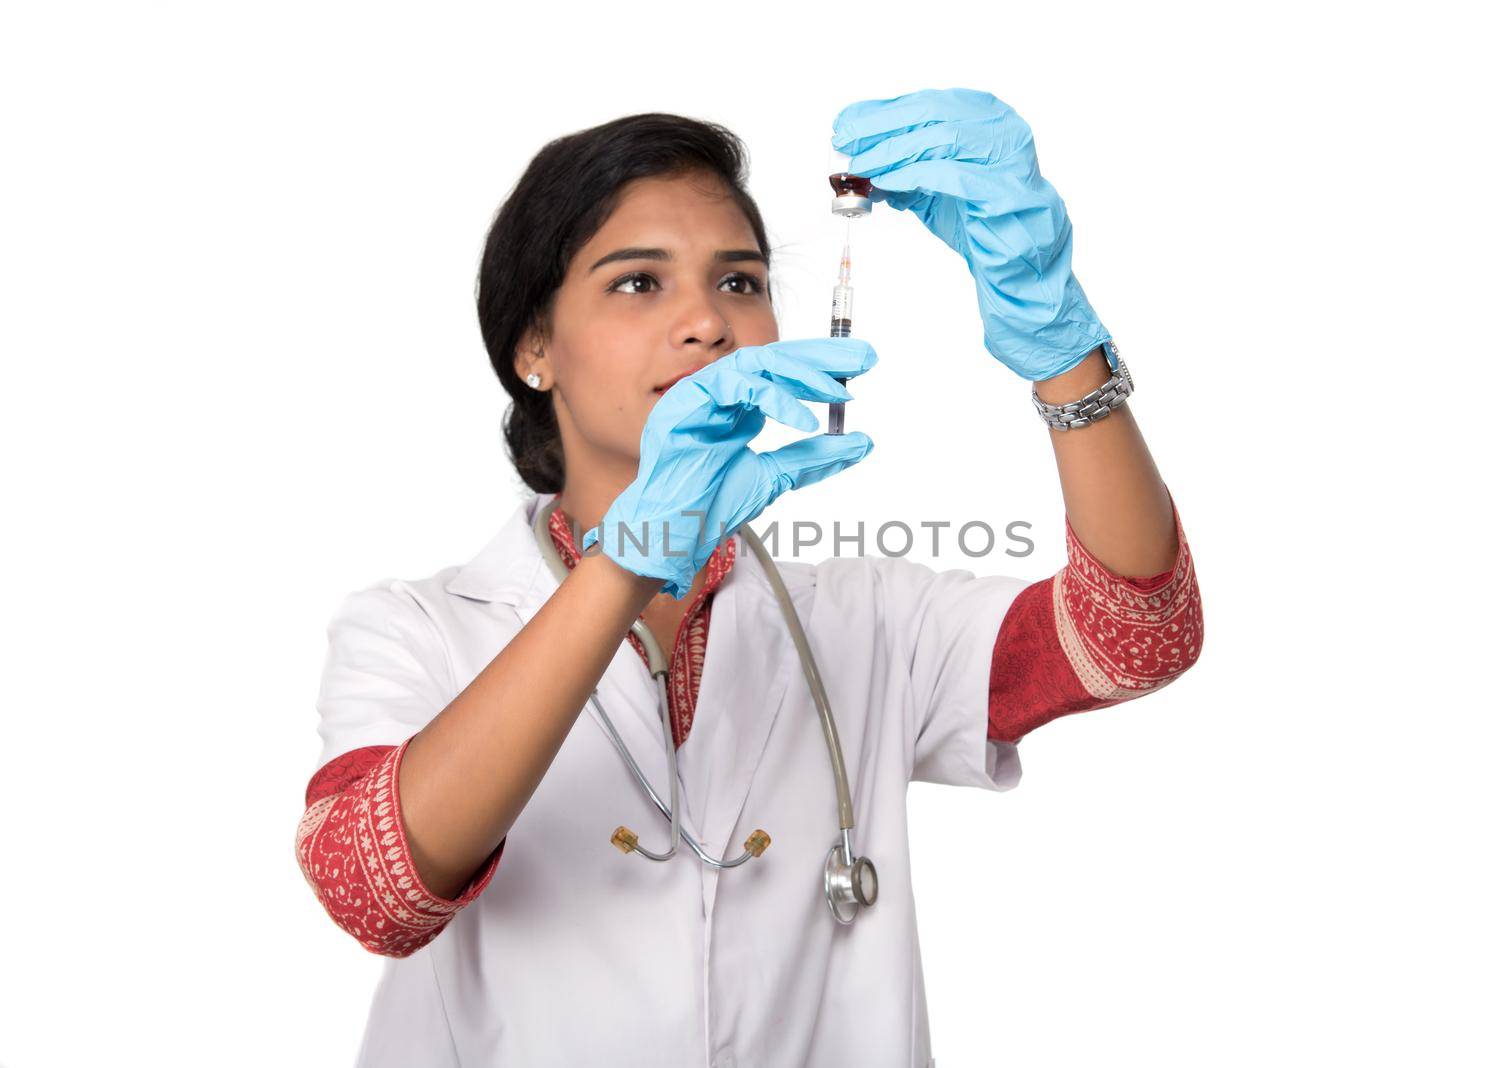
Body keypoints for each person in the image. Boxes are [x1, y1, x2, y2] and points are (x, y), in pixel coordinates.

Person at [294, 88, 1204, 1067]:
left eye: (739, 283)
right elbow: (372, 891)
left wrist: (1064, 353)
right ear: (534, 349)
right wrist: (630, 566)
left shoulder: (863, 618)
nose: (705, 322)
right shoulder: (415, 627)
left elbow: (1134, 639)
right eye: (638, 283)